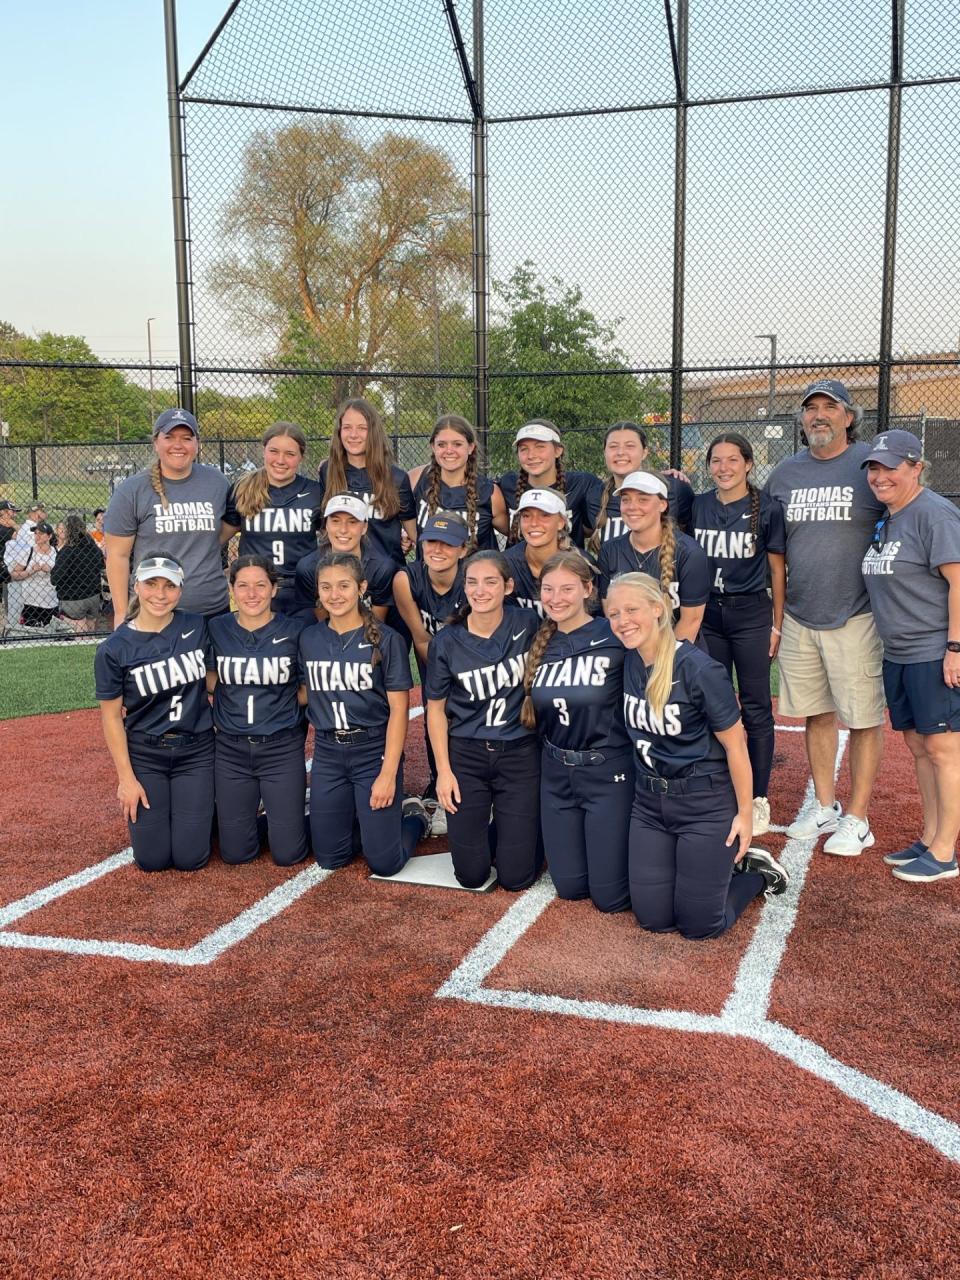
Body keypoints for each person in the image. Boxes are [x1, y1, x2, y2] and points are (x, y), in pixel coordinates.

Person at [605, 572, 788, 939]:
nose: (622, 622)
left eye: (631, 610)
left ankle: (753, 876)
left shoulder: (699, 668)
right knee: (653, 919)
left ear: (658, 609)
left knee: (700, 926)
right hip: (649, 803)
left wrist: (745, 815)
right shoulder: (629, 662)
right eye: (613, 614)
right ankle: (708, 869)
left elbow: (737, 746)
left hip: (704, 804)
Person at [765, 380, 886, 855]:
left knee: (862, 718)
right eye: (810, 408)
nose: (818, 416)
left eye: (829, 408)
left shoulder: (869, 467)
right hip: (800, 613)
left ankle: (858, 818)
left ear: (849, 417)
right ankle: (826, 805)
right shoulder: (786, 473)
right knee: (816, 714)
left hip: (855, 613)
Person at [859, 430, 960, 883]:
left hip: (932, 650)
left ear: (916, 467)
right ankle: (929, 836)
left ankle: (944, 852)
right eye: (874, 469)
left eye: (890, 467)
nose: (880, 477)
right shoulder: (890, 516)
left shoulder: (934, 514)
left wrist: (955, 648)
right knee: (920, 746)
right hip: (898, 652)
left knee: (943, 749)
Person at [298, 551, 425, 876]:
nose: (334, 595)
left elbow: (399, 711)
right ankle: (363, 819)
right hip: (328, 753)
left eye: (343, 586)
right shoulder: (310, 638)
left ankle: (413, 818)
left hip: (372, 754)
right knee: (329, 857)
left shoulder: (387, 640)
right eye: (326, 587)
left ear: (361, 587)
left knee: (385, 863)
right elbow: (303, 693)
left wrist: (387, 773)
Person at [520, 551, 632, 911]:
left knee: (610, 899)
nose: (556, 598)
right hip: (557, 774)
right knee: (568, 888)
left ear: (588, 589)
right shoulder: (537, 641)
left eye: (567, 588)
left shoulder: (614, 634)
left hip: (607, 772)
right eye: (548, 589)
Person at [426, 550, 542, 890]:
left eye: (490, 582)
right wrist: (444, 772)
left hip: (520, 753)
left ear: (507, 586)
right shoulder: (447, 641)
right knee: (471, 876)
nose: (480, 590)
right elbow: (435, 709)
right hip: (468, 755)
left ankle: (516, 834)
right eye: (472, 582)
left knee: (515, 878)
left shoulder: (527, 624)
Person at [94, 555, 215, 872]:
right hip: (147, 755)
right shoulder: (114, 648)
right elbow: (110, 717)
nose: (160, 594)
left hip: (196, 752)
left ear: (180, 590)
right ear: (136, 586)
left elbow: (218, 678)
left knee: (191, 859)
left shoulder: (196, 626)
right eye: (151, 584)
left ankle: (209, 820)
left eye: (169, 586)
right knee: (152, 860)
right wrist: (126, 779)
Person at [692, 434, 786, 835]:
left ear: (749, 464)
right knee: (709, 704)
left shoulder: (768, 508)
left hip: (750, 614)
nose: (724, 467)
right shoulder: (696, 505)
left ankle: (758, 797)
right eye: (716, 460)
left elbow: (778, 571)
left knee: (756, 706)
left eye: (733, 460)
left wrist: (777, 623)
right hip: (706, 614)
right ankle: (715, 788)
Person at [207, 556, 309, 867]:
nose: (252, 594)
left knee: (288, 854)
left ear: (274, 589)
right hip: (231, 749)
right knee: (236, 854)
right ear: (232, 590)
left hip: (281, 746)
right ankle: (258, 820)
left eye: (260, 585)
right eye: (243, 586)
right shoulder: (216, 628)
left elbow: (307, 688)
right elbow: (208, 677)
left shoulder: (295, 631)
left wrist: (277, 704)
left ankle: (290, 817)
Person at [103, 408, 233, 625]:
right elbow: (117, 556)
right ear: (156, 443)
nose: (178, 445)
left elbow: (223, 531)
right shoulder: (132, 490)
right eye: (169, 437)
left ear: (197, 444)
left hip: (212, 610)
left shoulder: (217, 482)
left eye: (186, 438)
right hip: (154, 612)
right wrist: (120, 612)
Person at [392, 511, 469, 830]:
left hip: (472, 662)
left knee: (468, 718)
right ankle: (440, 788)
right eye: (431, 542)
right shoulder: (405, 579)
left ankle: (475, 792)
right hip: (434, 658)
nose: (437, 550)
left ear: (462, 550)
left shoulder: (472, 577)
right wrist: (441, 679)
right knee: (434, 713)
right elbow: (421, 637)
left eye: (447, 544)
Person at [222, 422, 324, 615]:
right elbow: (218, 538)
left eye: (290, 454)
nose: (280, 460)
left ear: (301, 456)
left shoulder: (314, 492)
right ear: (263, 451)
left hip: (303, 590)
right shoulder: (242, 489)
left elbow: (335, 537)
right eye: (274, 451)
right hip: (258, 590)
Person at [596, 471, 709, 643]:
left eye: (643, 499)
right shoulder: (610, 551)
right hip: (628, 651)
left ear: (662, 505)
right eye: (626, 499)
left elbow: (691, 621)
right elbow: (611, 612)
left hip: (677, 654)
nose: (632, 507)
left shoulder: (689, 552)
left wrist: (661, 664)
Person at [317, 398, 417, 568]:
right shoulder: (329, 471)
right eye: (347, 427)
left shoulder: (396, 477)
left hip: (387, 573)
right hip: (343, 571)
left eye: (362, 428)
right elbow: (324, 528)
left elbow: (414, 534)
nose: (353, 435)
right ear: (339, 431)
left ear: (373, 432)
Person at [587, 421, 694, 553]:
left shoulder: (674, 488)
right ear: (604, 453)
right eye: (613, 446)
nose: (620, 452)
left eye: (630, 446)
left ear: (644, 452)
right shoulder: (594, 496)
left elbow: (688, 533)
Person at [409, 415, 508, 553]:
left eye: (457, 444)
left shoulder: (490, 493)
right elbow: (399, 518)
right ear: (433, 446)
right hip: (430, 572)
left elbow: (514, 535)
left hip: (474, 573)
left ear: (470, 447)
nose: (449, 450)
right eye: (442, 444)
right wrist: (405, 535)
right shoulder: (416, 478)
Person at [499, 420, 603, 548]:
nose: (531, 455)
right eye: (524, 449)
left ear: (558, 450)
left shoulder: (582, 483)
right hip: (517, 565)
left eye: (540, 447)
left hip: (567, 564)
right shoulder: (507, 483)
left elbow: (591, 529)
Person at [293, 494, 394, 623]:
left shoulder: (382, 567)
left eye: (352, 522)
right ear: (326, 525)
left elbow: (377, 623)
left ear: (364, 527)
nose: (343, 530)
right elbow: (324, 622)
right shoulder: (308, 567)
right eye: (335, 521)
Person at [503, 488, 572, 616]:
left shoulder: (580, 565)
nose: (534, 523)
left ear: (561, 522)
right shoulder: (506, 564)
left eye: (544, 515)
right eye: (526, 516)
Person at [51, 514, 105, 631]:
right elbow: (102, 565)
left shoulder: (67, 551)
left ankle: (82, 641)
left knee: (78, 627)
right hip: (93, 595)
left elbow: (55, 579)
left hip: (73, 597)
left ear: (67, 530)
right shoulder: (93, 547)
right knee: (90, 626)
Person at [8, 522, 58, 627]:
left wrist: (51, 570)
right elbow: (14, 574)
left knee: (50, 635)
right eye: (35, 533)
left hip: (52, 601)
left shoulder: (57, 553)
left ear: (49, 536)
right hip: (31, 602)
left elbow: (63, 576)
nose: (37, 536)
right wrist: (31, 571)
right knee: (31, 633)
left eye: (41, 533)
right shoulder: (28, 552)